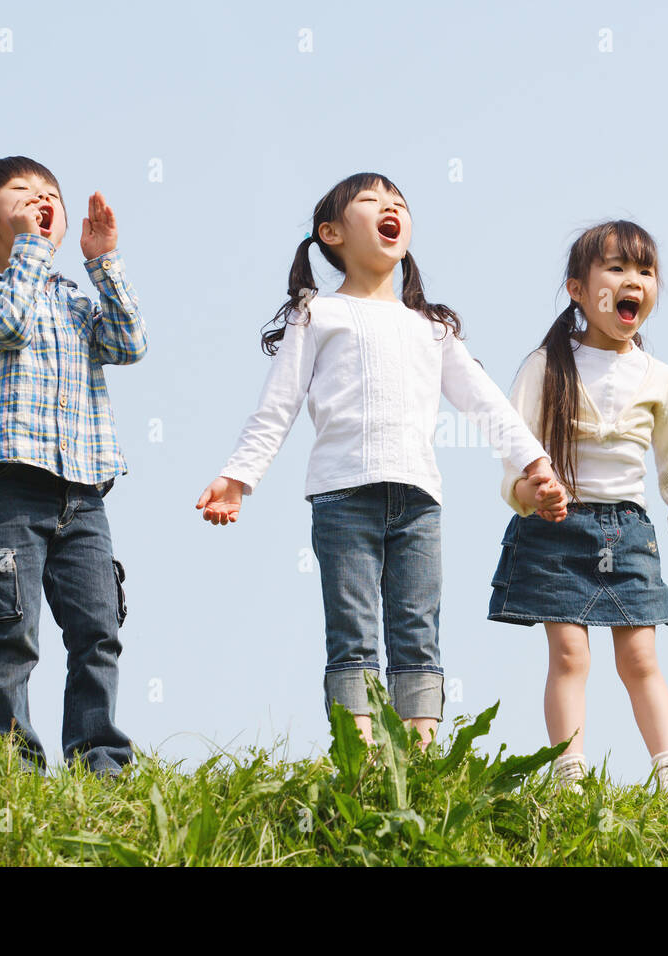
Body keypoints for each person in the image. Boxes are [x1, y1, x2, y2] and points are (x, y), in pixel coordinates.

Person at [196, 172, 565, 749]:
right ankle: (362, 756)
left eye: (398, 203)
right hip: (344, 498)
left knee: (418, 631)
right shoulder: (317, 314)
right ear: (332, 234)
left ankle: (418, 757)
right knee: (354, 633)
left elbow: (485, 401)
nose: (388, 208)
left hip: (418, 501)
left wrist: (533, 463)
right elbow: (277, 406)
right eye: (370, 201)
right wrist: (239, 478)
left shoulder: (431, 327)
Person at [0, 156, 147, 776]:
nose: (43, 199)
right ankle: (10, 765)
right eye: (23, 192)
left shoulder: (73, 301)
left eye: (51, 194)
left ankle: (101, 762)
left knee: (99, 632)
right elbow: (10, 324)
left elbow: (129, 343)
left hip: (84, 494)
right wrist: (33, 251)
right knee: (11, 632)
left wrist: (102, 262)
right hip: (8, 487)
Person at [487, 221, 668, 798]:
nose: (635, 281)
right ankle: (569, 773)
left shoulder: (659, 376)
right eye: (617, 268)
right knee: (570, 652)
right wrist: (532, 491)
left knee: (640, 656)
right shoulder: (546, 363)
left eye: (646, 271)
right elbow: (513, 448)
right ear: (578, 289)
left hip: (628, 532)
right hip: (559, 526)